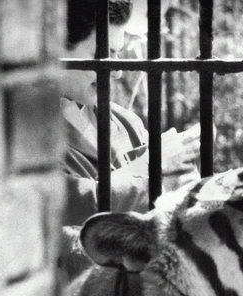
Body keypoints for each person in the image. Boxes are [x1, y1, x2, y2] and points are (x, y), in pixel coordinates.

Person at [60, 0, 199, 276]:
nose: (117, 69)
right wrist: (153, 168)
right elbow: (69, 207)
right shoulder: (21, 138)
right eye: (104, 53)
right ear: (58, 47)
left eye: (117, 54)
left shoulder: (124, 121)